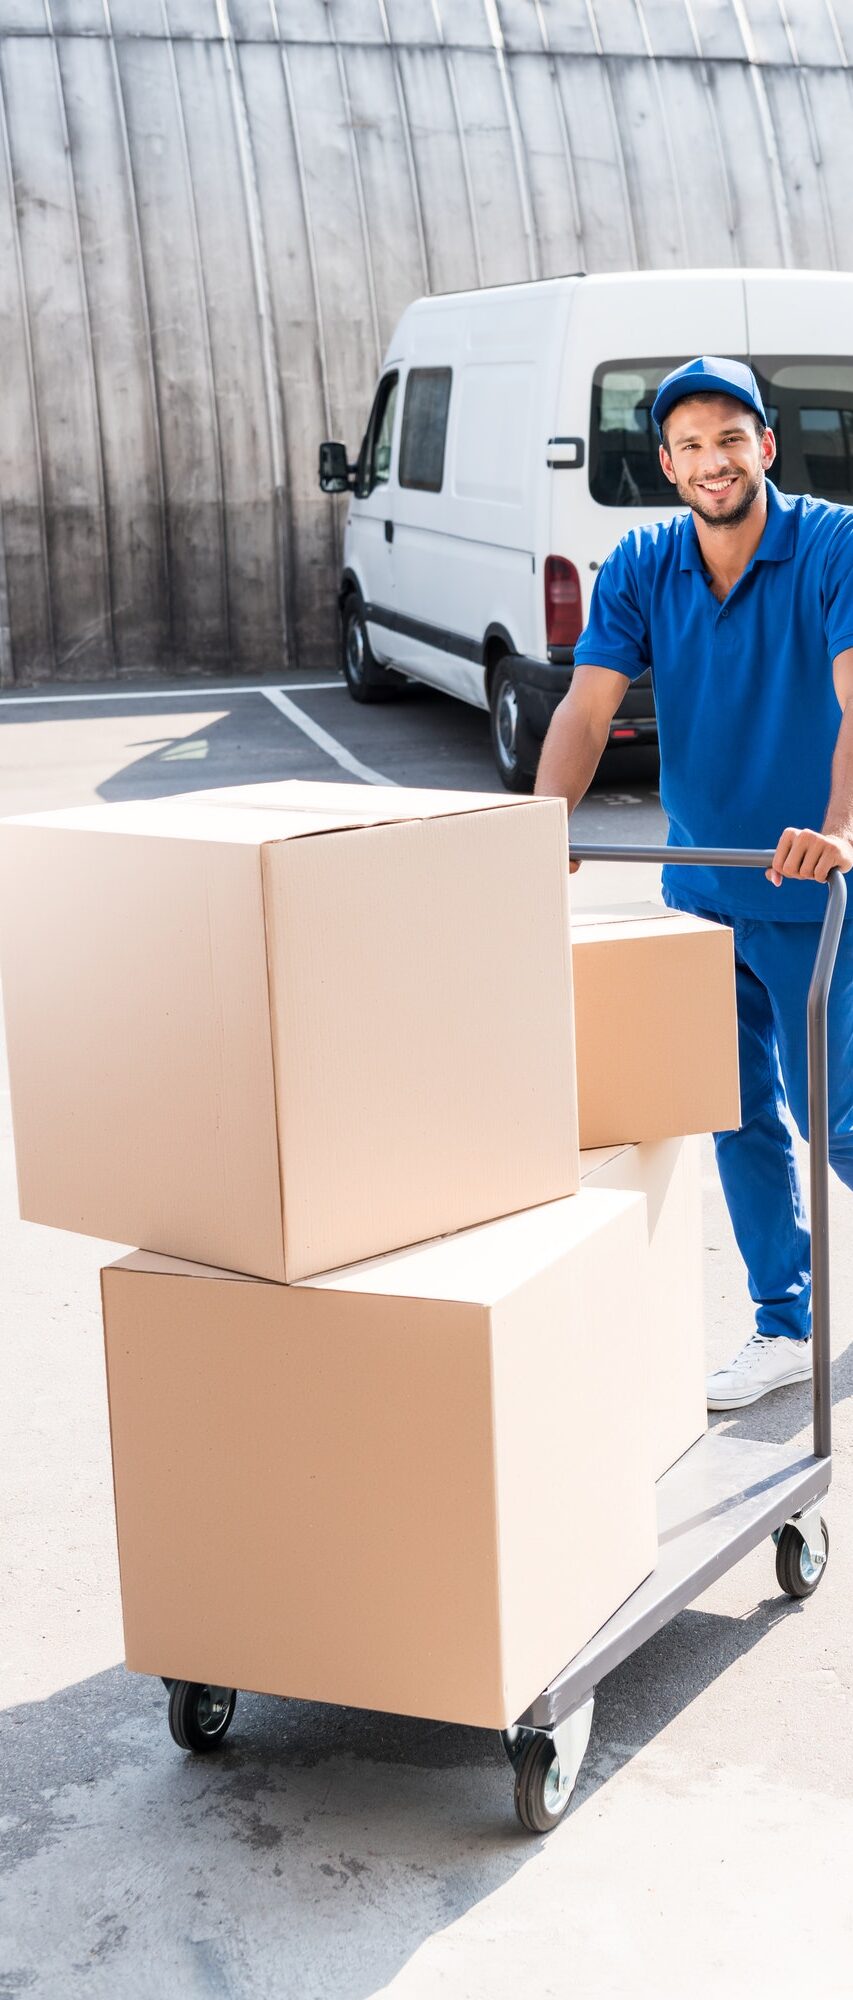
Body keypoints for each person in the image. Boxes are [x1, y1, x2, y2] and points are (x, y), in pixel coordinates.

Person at [535, 355, 853, 1410]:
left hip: (818, 898)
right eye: (689, 446)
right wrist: (543, 822)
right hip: (705, 890)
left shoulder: (829, 545)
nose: (712, 461)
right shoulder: (642, 565)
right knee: (733, 1115)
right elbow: (585, 711)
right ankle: (781, 1323)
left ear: (764, 446)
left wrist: (840, 826)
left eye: (730, 439)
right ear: (666, 466)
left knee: (840, 1126)